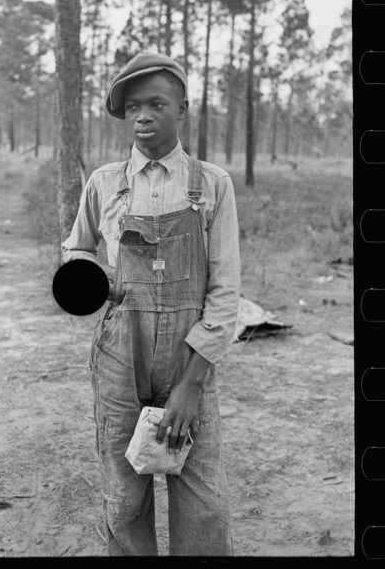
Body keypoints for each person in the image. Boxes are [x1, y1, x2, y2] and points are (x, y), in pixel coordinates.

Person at [61, 52, 241, 556]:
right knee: (124, 497)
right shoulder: (104, 183)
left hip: (190, 358)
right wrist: (97, 282)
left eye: (157, 104)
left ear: (182, 109)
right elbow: (77, 247)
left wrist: (191, 384)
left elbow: (225, 294)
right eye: (134, 106)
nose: (143, 116)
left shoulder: (211, 185)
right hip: (120, 356)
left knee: (204, 503)